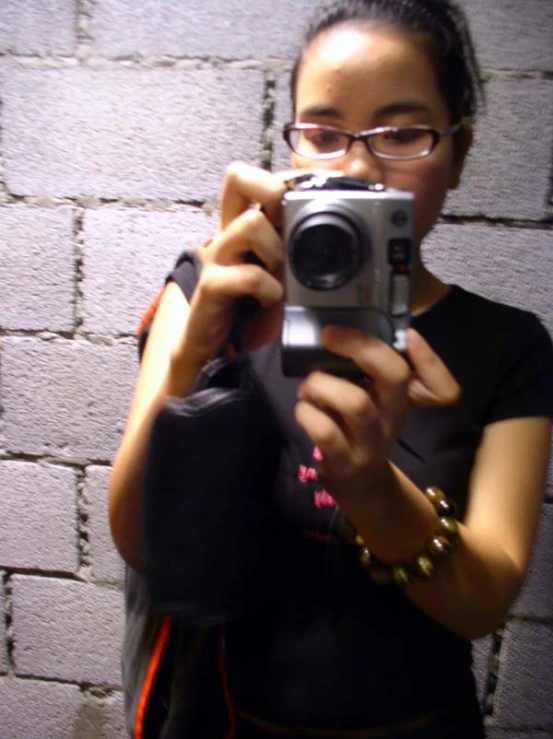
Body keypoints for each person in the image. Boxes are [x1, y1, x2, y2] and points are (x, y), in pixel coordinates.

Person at [108, 1, 553, 737]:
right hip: (226, 721)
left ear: (459, 152)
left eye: (402, 133)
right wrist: (197, 349)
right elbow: (139, 540)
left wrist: (373, 488)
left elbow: (481, 603)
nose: (354, 167)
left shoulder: (506, 344)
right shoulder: (212, 291)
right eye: (321, 133)